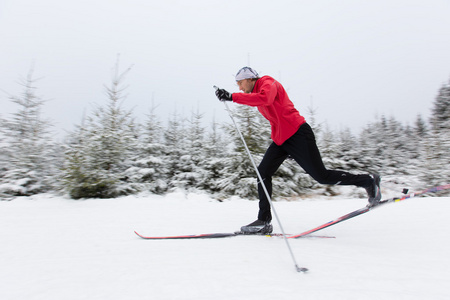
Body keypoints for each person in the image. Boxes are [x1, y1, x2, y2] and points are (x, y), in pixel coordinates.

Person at [215, 66, 381, 234]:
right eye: (237, 85)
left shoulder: (268, 82)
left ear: (251, 79)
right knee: (263, 172)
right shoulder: (256, 93)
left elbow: (265, 98)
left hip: (298, 134)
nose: (240, 88)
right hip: (282, 140)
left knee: (321, 176)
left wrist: (231, 97)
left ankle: (368, 181)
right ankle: (264, 221)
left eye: (241, 83)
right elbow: (269, 110)